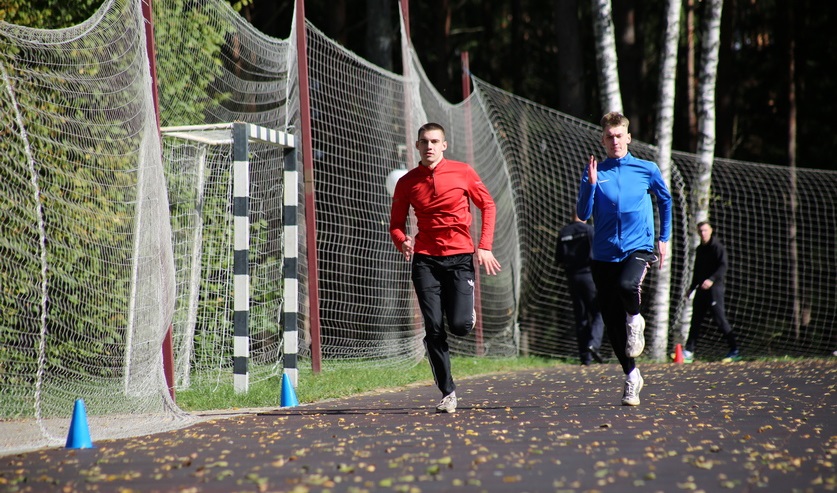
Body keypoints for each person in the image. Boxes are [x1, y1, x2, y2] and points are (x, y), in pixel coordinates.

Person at [389, 122, 502, 414]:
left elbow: (488, 205)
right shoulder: (407, 182)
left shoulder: (463, 172)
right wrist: (403, 241)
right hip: (425, 260)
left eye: (434, 141)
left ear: (444, 145)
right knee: (433, 327)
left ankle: (466, 313)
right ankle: (447, 392)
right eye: (424, 141)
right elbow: (396, 225)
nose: (429, 146)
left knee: (460, 326)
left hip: (460, 258)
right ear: (417, 145)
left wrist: (484, 245)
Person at [576, 111, 672, 406]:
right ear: (603, 140)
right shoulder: (595, 172)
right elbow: (582, 214)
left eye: (619, 135)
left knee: (628, 285)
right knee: (611, 321)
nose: (614, 141)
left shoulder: (646, 169)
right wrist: (591, 184)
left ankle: (635, 318)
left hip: (638, 247)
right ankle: (631, 377)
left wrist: (664, 238)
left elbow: (665, 200)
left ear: (628, 137)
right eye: (609, 136)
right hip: (604, 254)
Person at [683, 221, 740, 362]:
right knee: (695, 320)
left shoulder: (717, 247)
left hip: (715, 290)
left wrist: (711, 279)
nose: (703, 233)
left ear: (711, 230)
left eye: (705, 230)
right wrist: (692, 287)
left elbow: (723, 266)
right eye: (700, 231)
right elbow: (697, 270)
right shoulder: (700, 249)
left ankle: (734, 350)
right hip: (701, 291)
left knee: (720, 320)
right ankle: (689, 351)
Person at [555, 213, 605, 365]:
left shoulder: (563, 232)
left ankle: (585, 358)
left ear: (571, 215)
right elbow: (598, 254)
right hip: (589, 276)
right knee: (599, 312)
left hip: (572, 278)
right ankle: (594, 344)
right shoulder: (589, 230)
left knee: (581, 316)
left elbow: (559, 259)